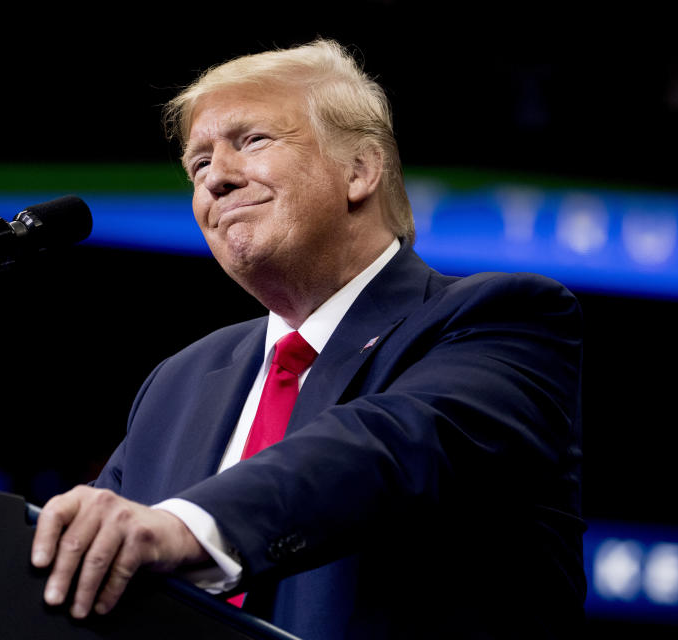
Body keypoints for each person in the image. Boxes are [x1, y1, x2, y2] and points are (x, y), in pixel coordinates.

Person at [31, 40, 585, 638]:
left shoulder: (501, 320)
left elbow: (387, 447)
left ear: (359, 171)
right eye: (198, 164)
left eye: (253, 140)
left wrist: (185, 527)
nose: (215, 178)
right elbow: (87, 553)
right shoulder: (178, 383)